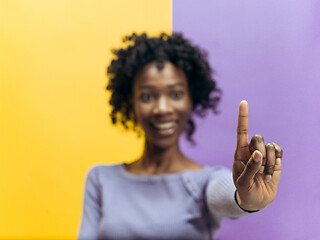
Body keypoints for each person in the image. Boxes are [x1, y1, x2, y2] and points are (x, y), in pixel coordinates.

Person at [78, 33, 283, 240]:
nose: (162, 108)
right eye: (148, 96)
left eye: (175, 94)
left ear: (190, 100)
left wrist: (246, 200)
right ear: (131, 103)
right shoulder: (101, 180)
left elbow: (225, 193)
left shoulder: (204, 182)